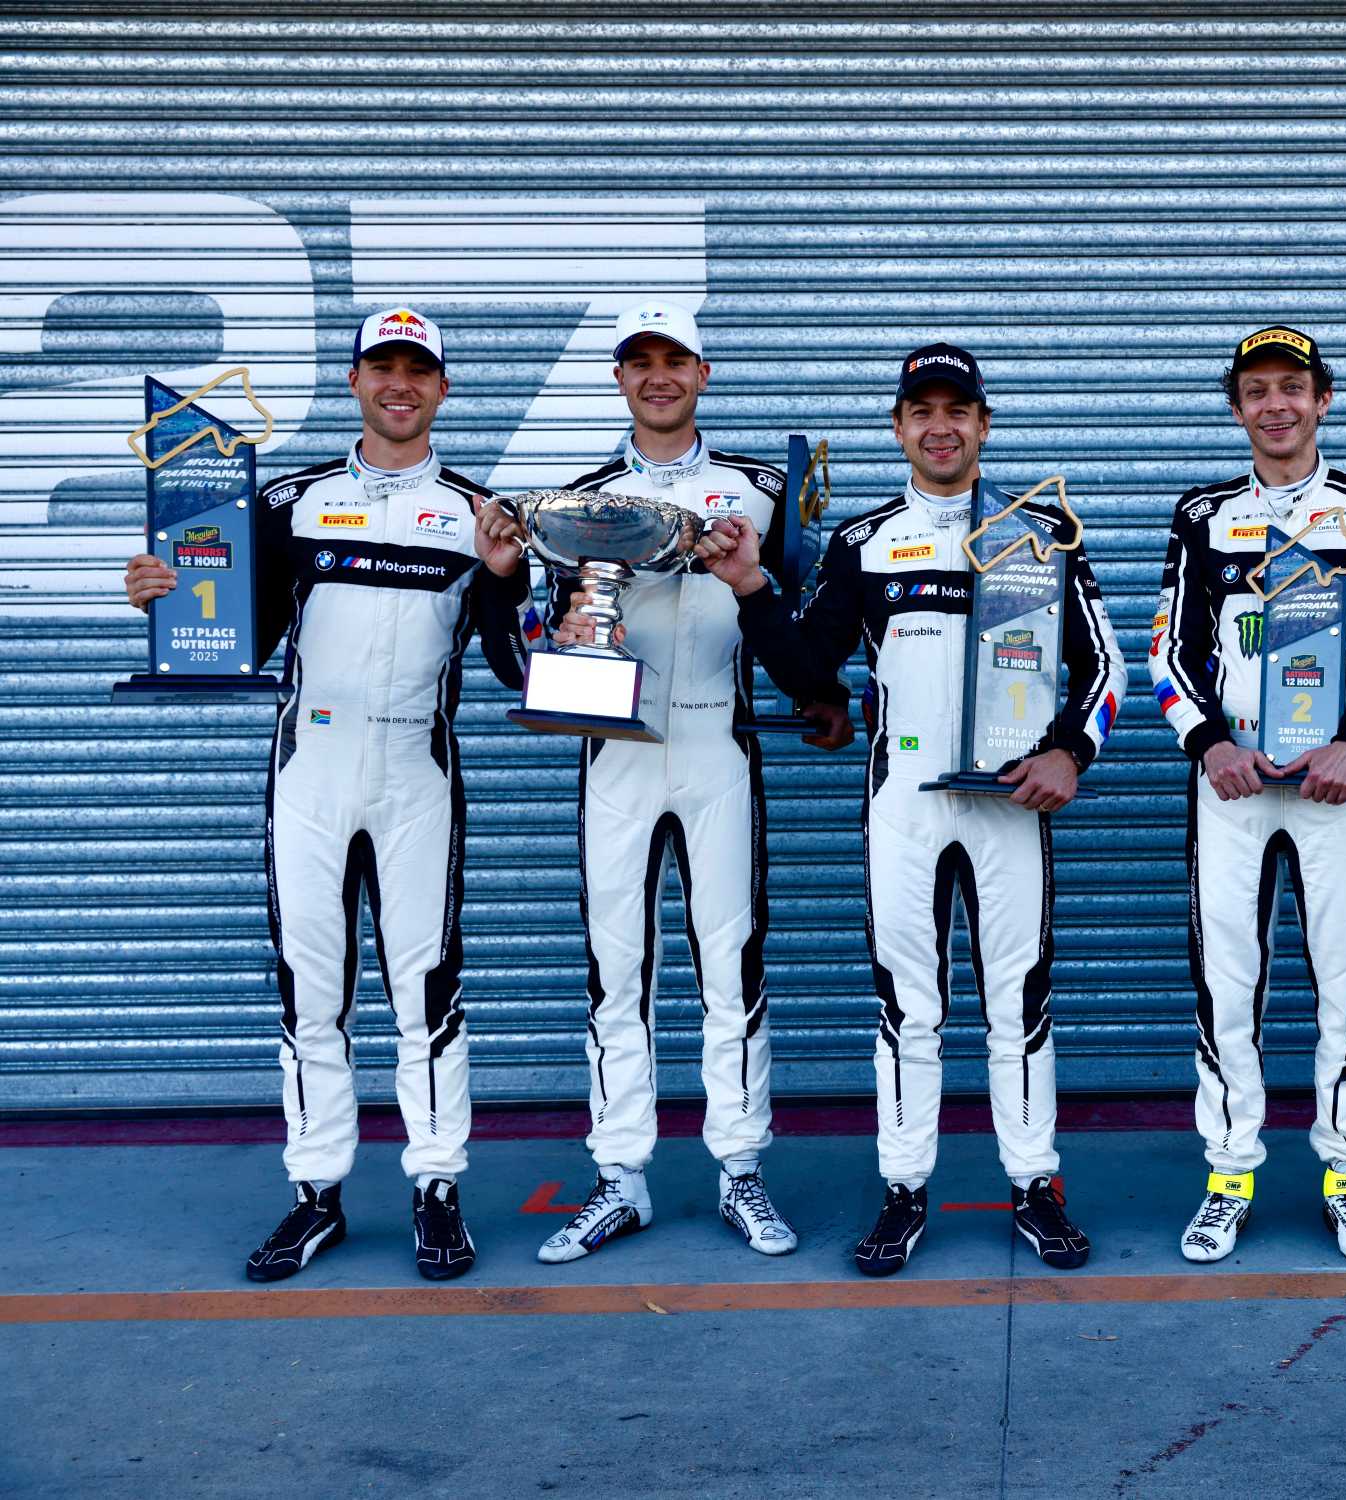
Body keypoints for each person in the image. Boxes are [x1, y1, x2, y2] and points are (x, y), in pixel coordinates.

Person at [122, 307, 531, 1282]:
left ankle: (437, 1190)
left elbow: (515, 666)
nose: (399, 385)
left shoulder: (481, 513)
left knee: (426, 987)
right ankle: (317, 1195)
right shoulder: (288, 503)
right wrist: (163, 594)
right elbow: (234, 638)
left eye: (417, 370)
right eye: (382, 367)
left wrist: (509, 578)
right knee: (312, 988)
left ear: (442, 389)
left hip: (417, 773)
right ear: (354, 382)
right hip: (309, 768)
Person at [710, 344, 1126, 1277]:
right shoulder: (864, 540)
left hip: (1009, 806)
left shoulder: (1041, 530)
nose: (941, 428)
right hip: (903, 806)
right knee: (908, 1005)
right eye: (922, 411)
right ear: (899, 428)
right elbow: (809, 667)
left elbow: (1104, 667)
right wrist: (751, 589)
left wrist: (1070, 750)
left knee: (1020, 998)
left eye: (957, 410)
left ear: (984, 424)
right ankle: (903, 1190)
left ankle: (1035, 1185)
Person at [532, 301, 854, 1266]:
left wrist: (826, 697)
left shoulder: (765, 489)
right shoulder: (578, 500)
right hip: (616, 754)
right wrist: (557, 639)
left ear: (703, 373)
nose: (658, 376)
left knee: (731, 965)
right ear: (619, 378)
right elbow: (544, 638)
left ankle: (739, 1169)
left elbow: (804, 630)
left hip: (721, 746)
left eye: (675, 359)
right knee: (616, 970)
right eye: (640, 361)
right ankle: (619, 1177)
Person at [1150, 326, 1346, 1267]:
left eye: (1293, 388)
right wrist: (1208, 741)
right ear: (1238, 408)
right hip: (1232, 783)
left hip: (1335, 786)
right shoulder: (1202, 515)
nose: (1277, 405)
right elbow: (1170, 649)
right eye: (1257, 391)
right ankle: (1229, 1175)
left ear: (1323, 399)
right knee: (1228, 980)